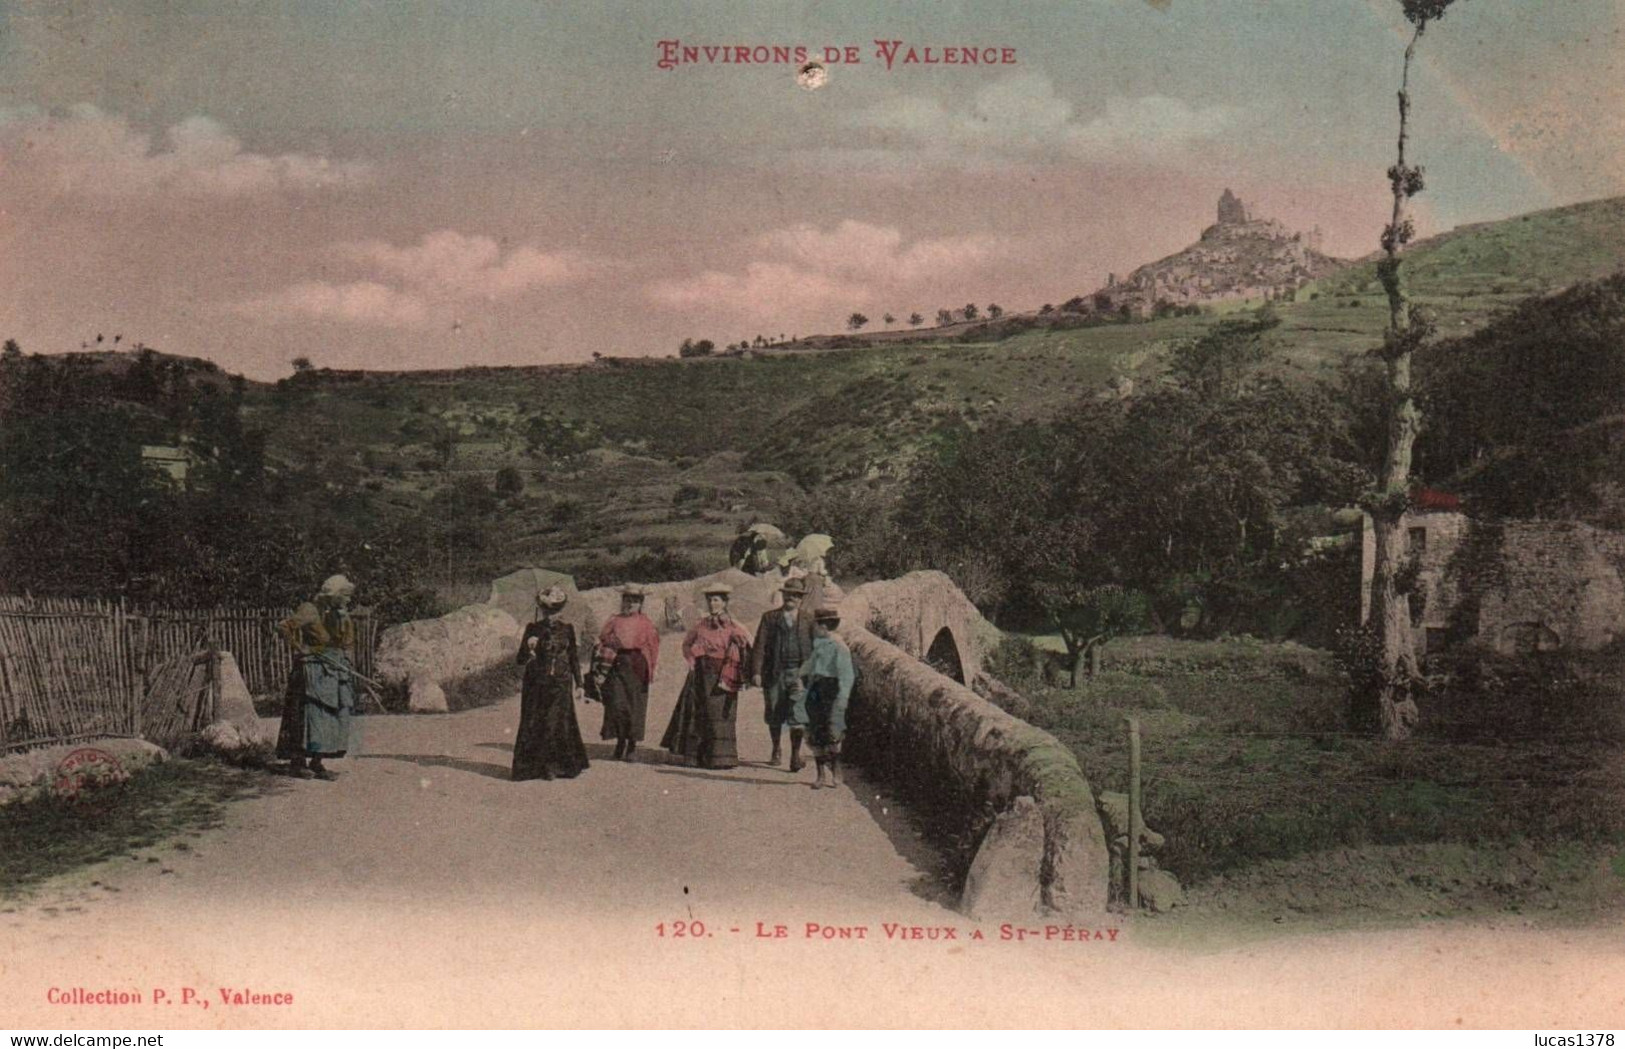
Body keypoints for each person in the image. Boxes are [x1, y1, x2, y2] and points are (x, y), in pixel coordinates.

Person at [660, 583, 752, 770]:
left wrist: (738, 644)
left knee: (719, 714)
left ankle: (721, 758)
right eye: (710, 600)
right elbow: (687, 644)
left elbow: (747, 645)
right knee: (698, 713)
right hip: (701, 673)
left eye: (716, 600)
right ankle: (696, 756)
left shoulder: (734, 626)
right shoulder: (700, 624)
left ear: (725, 603)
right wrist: (692, 659)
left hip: (724, 675)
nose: (712, 604)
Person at [276, 574, 358, 781]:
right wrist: (300, 648)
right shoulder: (309, 610)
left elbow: (344, 641)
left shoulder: (333, 614)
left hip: (331, 668)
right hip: (311, 670)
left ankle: (317, 762)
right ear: (334, 594)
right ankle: (298, 762)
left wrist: (343, 618)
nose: (347, 600)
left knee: (328, 716)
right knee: (309, 715)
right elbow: (284, 626)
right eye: (345, 596)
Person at [513, 586, 589, 781]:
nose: (551, 616)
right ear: (541, 609)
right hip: (536, 683)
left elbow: (573, 657)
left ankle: (556, 766)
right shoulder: (532, 629)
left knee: (556, 723)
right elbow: (520, 660)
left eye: (555, 611)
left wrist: (579, 684)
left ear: (561, 610)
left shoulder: (567, 629)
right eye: (547, 611)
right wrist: (528, 649)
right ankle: (535, 767)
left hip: (561, 682)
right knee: (535, 722)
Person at [591, 583, 661, 761]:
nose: (630, 604)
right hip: (617, 663)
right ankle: (620, 741)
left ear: (640, 604)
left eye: (635, 601)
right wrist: (609, 641)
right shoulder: (615, 620)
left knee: (635, 705)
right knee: (617, 704)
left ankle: (631, 745)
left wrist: (652, 669)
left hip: (637, 664)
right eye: (627, 600)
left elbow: (653, 647)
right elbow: (603, 637)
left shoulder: (645, 623)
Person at [751, 577, 813, 770]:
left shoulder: (809, 620)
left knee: (798, 713)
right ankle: (776, 747)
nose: (791, 598)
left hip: (798, 673)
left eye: (796, 595)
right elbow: (759, 646)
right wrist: (756, 672)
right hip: (775, 672)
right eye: (788, 594)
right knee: (774, 712)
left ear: (801, 599)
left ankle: (795, 754)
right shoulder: (770, 618)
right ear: (783, 595)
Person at [797, 606, 856, 790]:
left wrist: (843, 698)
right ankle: (820, 774)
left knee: (832, 730)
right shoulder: (819, 644)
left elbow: (846, 675)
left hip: (832, 690)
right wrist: (800, 677)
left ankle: (836, 768)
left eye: (818, 625)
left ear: (825, 626)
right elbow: (810, 664)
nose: (815, 629)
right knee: (816, 730)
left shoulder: (839, 646)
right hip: (816, 689)